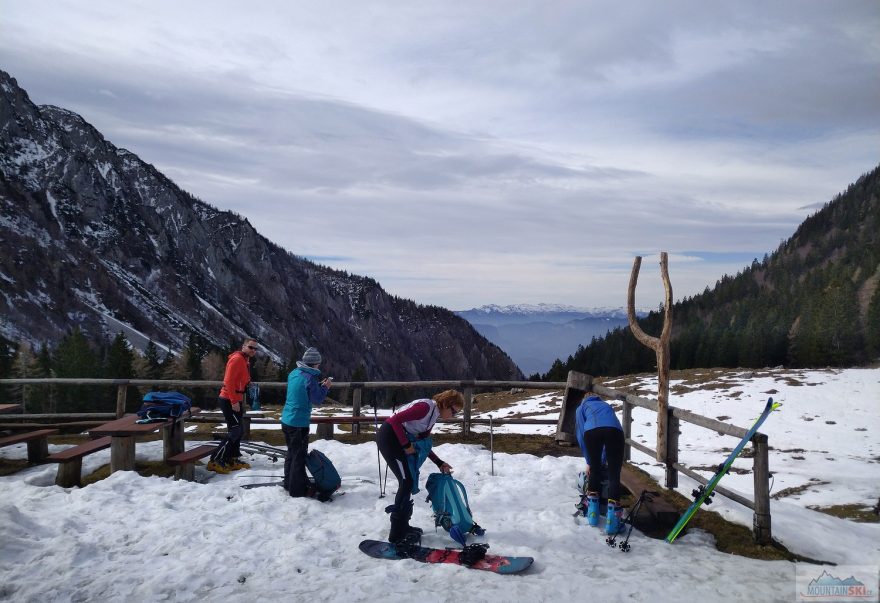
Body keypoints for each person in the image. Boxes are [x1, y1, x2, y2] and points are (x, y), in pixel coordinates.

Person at [377, 390, 460, 543]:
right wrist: (406, 444)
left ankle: (403, 525)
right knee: (406, 481)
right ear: (446, 404)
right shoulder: (425, 408)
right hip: (388, 438)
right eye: (453, 411)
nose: (453, 416)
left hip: (398, 440)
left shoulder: (434, 415)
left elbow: (424, 444)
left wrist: (439, 463)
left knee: (407, 482)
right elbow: (395, 420)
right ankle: (396, 533)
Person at [281, 347, 331, 497]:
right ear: (315, 364)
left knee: (291, 453)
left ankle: (288, 482)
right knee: (299, 456)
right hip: (299, 422)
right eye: (318, 364)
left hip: (287, 419)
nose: (319, 366)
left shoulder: (294, 373)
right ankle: (297, 490)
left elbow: (303, 392)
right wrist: (325, 388)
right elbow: (317, 400)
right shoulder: (310, 378)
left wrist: (318, 386)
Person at [575, 394, 625, 534]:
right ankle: (613, 523)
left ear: (584, 398)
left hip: (592, 432)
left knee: (595, 471)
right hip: (615, 432)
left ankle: (592, 517)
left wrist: (590, 462)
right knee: (614, 475)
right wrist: (602, 461)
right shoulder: (606, 405)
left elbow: (580, 433)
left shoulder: (582, 407)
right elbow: (607, 428)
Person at [207, 337, 258, 474]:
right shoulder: (237, 359)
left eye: (255, 348)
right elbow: (228, 381)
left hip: (236, 398)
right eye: (250, 347)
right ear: (244, 347)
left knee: (236, 429)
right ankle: (215, 460)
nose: (253, 350)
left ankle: (232, 458)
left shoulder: (244, 360)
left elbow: (239, 379)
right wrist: (234, 401)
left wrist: (247, 384)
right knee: (236, 430)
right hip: (229, 400)